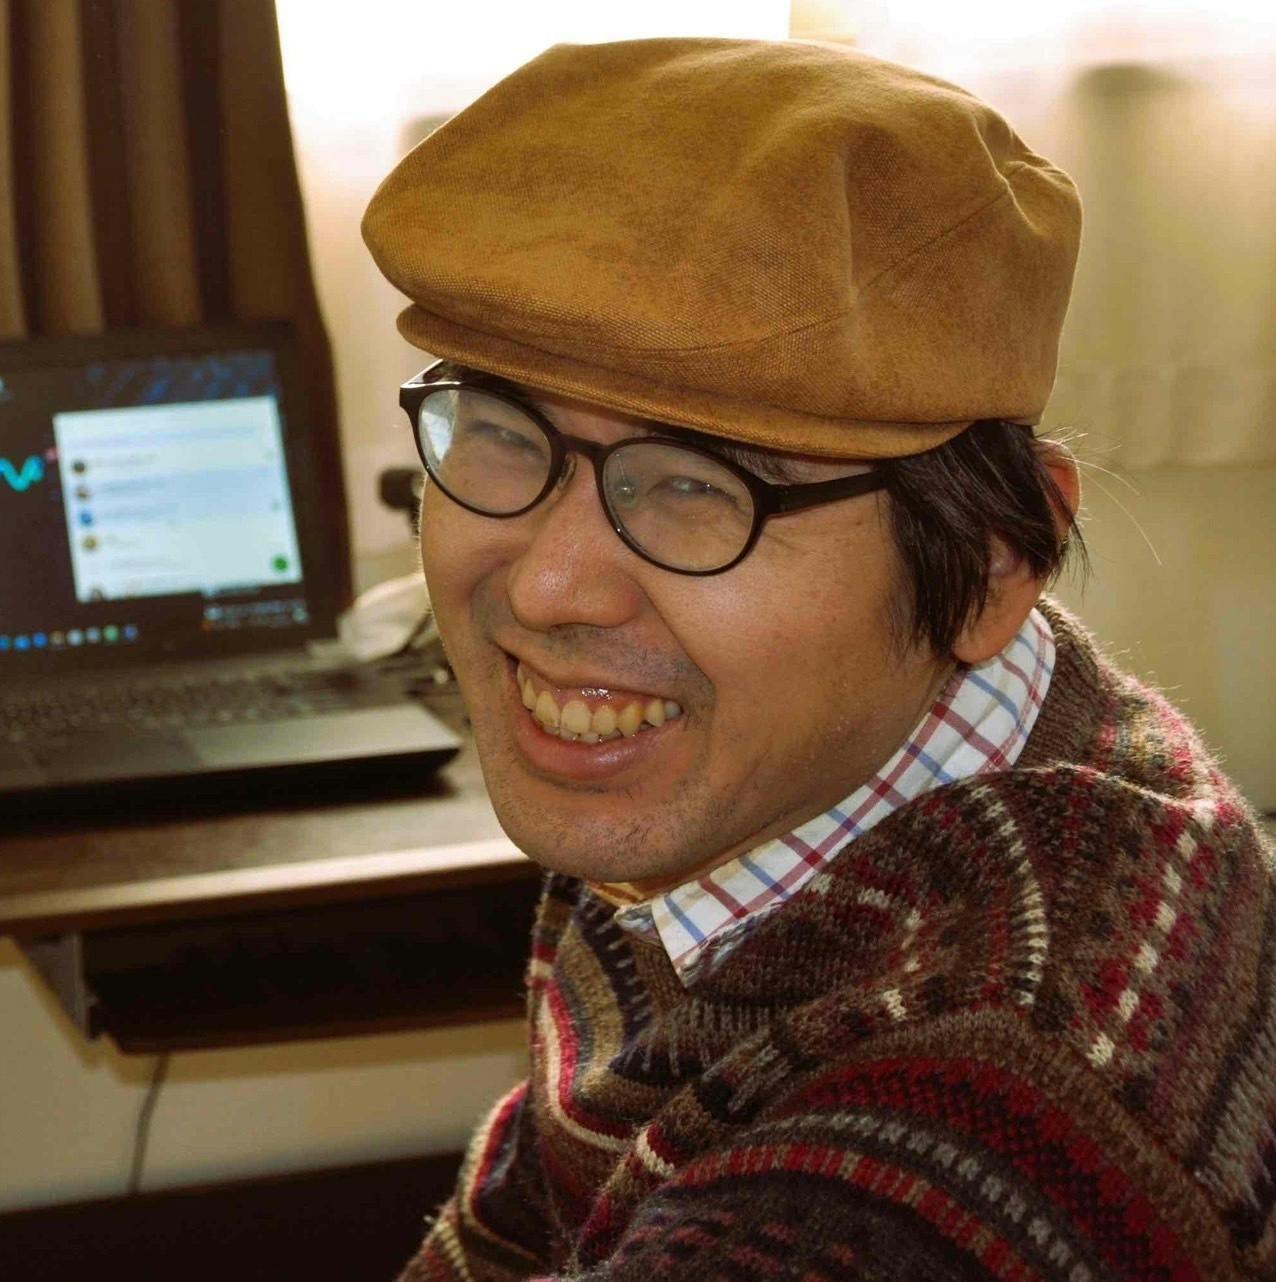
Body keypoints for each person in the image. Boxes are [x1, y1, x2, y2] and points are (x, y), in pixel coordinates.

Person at [363, 38, 1275, 1282]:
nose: (546, 588)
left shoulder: (974, 1135)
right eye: (503, 429)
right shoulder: (783, 770)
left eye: (699, 482)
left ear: (998, 558)